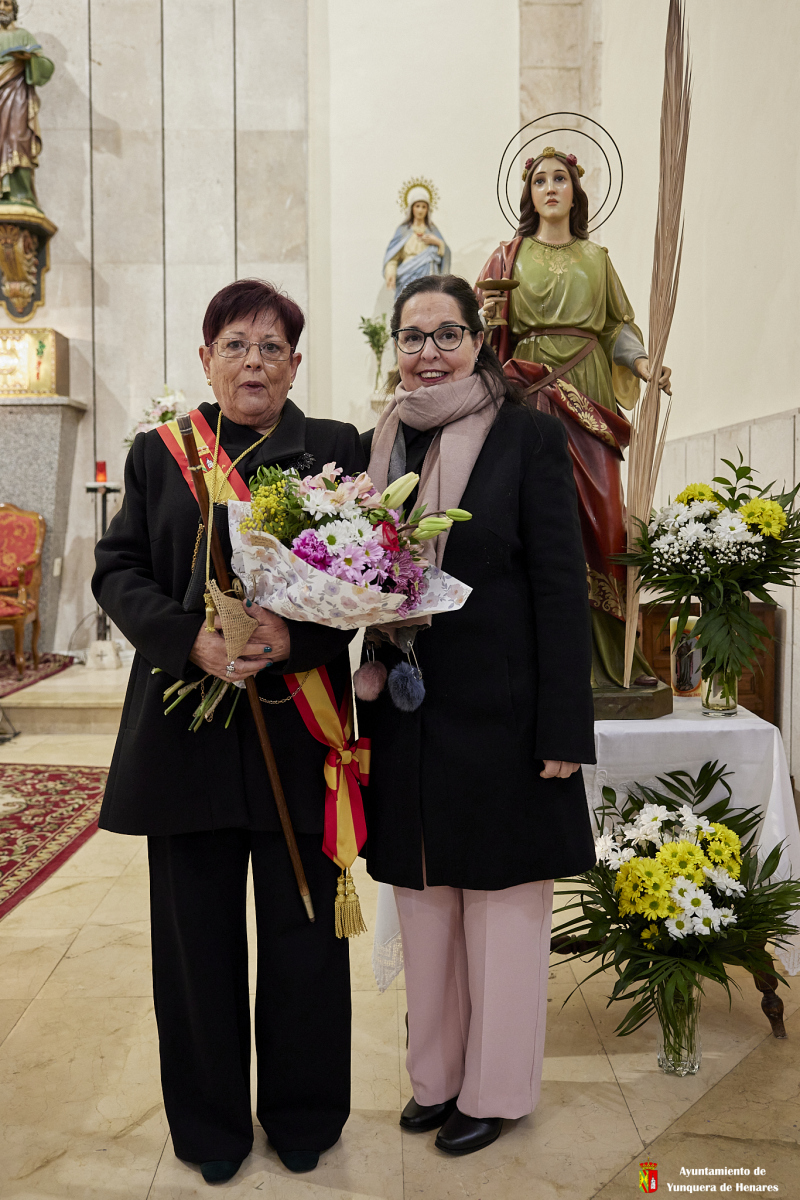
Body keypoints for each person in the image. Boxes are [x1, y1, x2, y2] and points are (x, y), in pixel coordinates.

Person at [93, 279, 365, 1184]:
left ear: (296, 363)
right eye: (237, 346)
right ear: (206, 359)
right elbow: (117, 570)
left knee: (304, 941)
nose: (255, 362)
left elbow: (369, 578)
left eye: (273, 347)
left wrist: (298, 638)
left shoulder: (334, 450)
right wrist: (189, 640)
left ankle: (305, 1115)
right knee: (195, 952)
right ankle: (211, 1130)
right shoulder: (159, 453)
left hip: (297, 733)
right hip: (187, 741)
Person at [357, 273, 597, 1155]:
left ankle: (494, 1091)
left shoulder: (528, 434)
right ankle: (438, 1078)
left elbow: (561, 586)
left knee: (500, 909)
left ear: (478, 340)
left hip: (504, 715)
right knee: (424, 903)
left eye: (446, 334)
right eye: (412, 337)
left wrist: (565, 726)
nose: (428, 353)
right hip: (410, 713)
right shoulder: (382, 443)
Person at [478, 148, 672, 689]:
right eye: (540, 180)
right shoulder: (506, 257)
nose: (550, 187)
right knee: (534, 519)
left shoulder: (596, 258)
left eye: (559, 178)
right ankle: (539, 663)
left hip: (588, 396)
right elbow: (475, 333)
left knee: (605, 519)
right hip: (529, 394)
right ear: (528, 193)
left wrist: (643, 363)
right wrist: (486, 320)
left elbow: (616, 327)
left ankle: (612, 663)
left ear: (575, 190)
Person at [0, 0, 53, 207]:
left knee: (17, 139)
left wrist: (29, 59)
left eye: (7, 3)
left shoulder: (23, 36)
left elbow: (45, 67)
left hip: (17, 95)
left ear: (14, 9)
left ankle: (20, 193)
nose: (2, 7)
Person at [383, 183, 451, 297]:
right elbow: (393, 257)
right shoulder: (403, 230)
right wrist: (390, 272)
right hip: (407, 275)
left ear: (428, 209)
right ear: (412, 208)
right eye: (417, 206)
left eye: (424, 207)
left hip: (428, 276)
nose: (420, 210)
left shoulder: (432, 230)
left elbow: (446, 252)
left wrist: (438, 243)